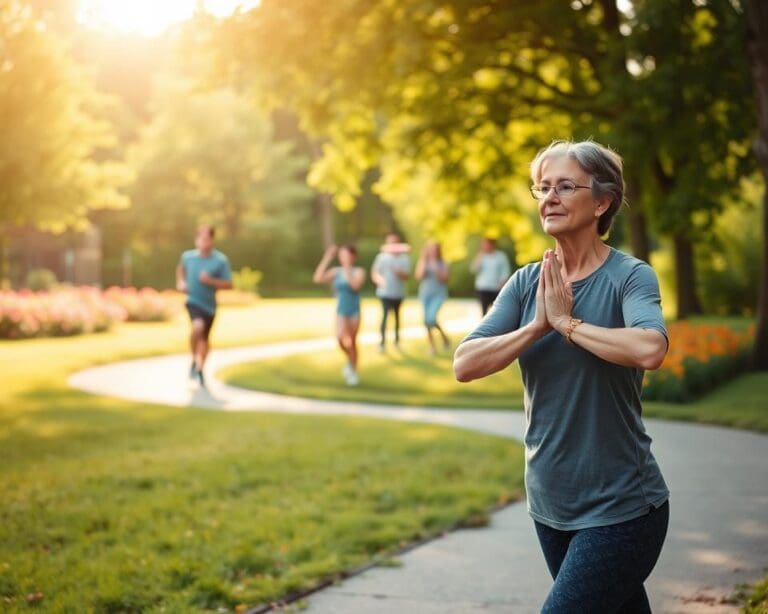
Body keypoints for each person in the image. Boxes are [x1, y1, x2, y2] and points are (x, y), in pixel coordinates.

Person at [454, 140, 670, 613]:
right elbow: (464, 364)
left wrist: (569, 325)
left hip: (623, 508)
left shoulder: (630, 277)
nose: (549, 198)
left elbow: (650, 348)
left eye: (565, 186)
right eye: (543, 187)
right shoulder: (526, 283)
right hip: (550, 505)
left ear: (601, 201)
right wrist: (537, 325)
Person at [176, 224, 233, 388]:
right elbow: (180, 269)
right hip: (193, 301)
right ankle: (194, 358)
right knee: (197, 328)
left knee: (205, 340)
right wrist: (181, 282)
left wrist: (211, 281)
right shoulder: (188, 257)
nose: (203, 242)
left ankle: (200, 368)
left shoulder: (220, 260)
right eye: (200, 238)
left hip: (209, 306)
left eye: (206, 239)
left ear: (212, 240)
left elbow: (229, 284)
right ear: (196, 240)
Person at [313, 244, 366, 385]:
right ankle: (350, 360)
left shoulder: (358, 271)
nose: (343, 258)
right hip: (341, 310)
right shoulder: (336, 272)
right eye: (341, 255)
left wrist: (347, 267)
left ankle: (353, 371)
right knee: (340, 339)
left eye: (346, 255)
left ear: (353, 257)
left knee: (353, 341)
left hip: (354, 310)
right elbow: (318, 278)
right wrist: (327, 258)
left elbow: (355, 285)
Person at [371, 232, 411, 352]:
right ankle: (382, 343)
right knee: (384, 316)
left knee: (397, 317)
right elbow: (375, 273)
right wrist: (380, 280)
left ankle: (397, 341)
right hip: (384, 293)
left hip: (398, 293)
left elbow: (407, 275)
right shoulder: (381, 257)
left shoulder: (404, 258)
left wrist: (398, 272)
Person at [415, 241, 450, 354]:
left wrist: (436, 269)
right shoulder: (423, 262)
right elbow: (418, 277)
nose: (433, 252)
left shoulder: (443, 263)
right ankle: (433, 347)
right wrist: (424, 264)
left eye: (435, 249)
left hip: (438, 295)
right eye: (430, 249)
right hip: (425, 294)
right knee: (426, 322)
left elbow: (445, 279)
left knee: (431, 319)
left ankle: (444, 337)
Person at [471, 237, 511, 315]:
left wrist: (503, 283)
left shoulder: (501, 256)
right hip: (483, 288)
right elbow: (474, 270)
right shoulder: (481, 256)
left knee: (495, 310)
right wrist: (479, 257)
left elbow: (505, 271)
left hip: (496, 288)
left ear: (492, 245)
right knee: (484, 311)